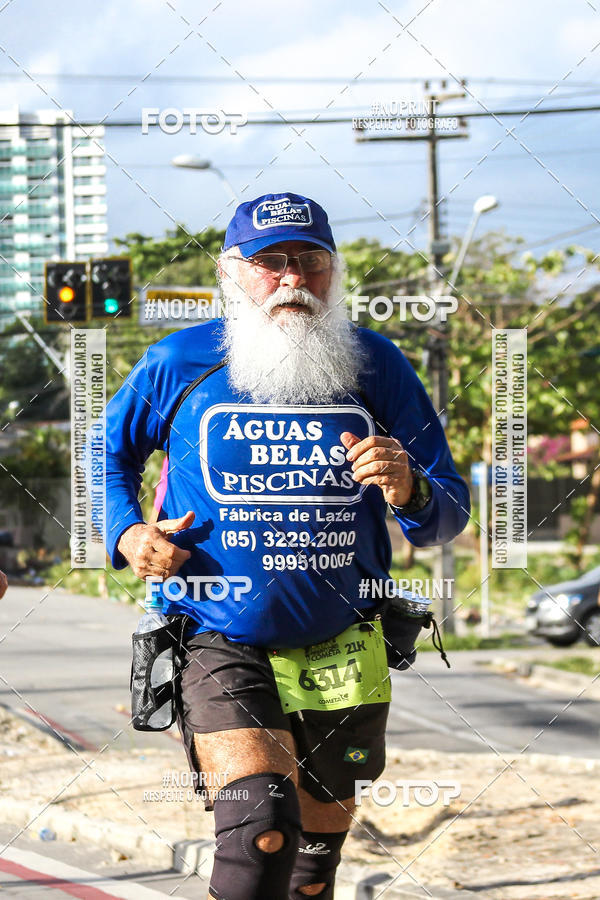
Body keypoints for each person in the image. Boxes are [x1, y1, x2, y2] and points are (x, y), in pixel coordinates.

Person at [104, 192, 470, 900]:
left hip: (345, 641)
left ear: (335, 273)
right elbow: (106, 453)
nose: (292, 277)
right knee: (261, 832)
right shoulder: (179, 361)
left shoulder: (378, 366)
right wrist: (127, 531)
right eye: (270, 262)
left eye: (311, 261)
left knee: (311, 866)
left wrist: (412, 491)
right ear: (234, 273)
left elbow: (448, 509)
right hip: (217, 631)